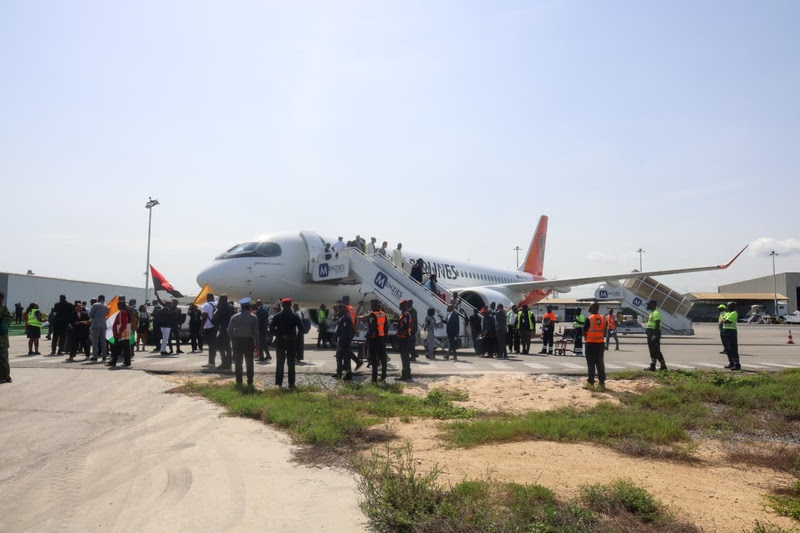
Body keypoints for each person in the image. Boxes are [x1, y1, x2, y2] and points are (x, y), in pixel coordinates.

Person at [270, 298, 304, 388]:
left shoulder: (277, 316)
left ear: (282, 305)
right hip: (291, 342)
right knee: (291, 363)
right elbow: (302, 329)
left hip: (280, 342)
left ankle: (279, 384)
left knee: (280, 363)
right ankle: (291, 383)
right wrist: (295, 338)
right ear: (290, 305)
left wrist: (279, 335)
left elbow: (271, 329)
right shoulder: (295, 316)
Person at [228, 298, 259, 387]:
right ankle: (250, 381)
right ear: (249, 307)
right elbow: (256, 332)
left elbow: (229, 330)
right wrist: (257, 344)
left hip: (238, 341)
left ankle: (239, 381)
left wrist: (233, 338)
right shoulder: (253, 317)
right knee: (249, 362)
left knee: (238, 362)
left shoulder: (235, 317)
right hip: (249, 341)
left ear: (241, 307)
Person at [583, 302, 607, 389]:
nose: (589, 308)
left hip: (590, 344)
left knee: (591, 363)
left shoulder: (589, 318)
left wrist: (586, 337)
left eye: (590, 307)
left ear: (593, 308)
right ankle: (602, 382)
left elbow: (584, 330)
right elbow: (604, 330)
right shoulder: (603, 318)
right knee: (600, 363)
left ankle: (591, 382)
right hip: (600, 344)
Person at [363, 300, 388, 382]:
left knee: (374, 360)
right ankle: (383, 376)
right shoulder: (383, 314)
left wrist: (367, 339)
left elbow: (371, 329)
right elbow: (386, 328)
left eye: (372, 306)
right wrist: (385, 339)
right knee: (383, 359)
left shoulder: (372, 315)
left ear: (373, 306)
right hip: (382, 339)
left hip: (374, 340)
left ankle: (374, 379)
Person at [334, 302, 356, 380]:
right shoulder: (342, 317)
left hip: (344, 342)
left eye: (339, 309)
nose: (338, 310)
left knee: (346, 359)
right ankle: (339, 373)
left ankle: (348, 375)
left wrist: (340, 344)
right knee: (339, 357)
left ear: (343, 309)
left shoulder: (345, 318)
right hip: (341, 340)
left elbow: (345, 332)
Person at [644, 299, 667, 371]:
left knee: (656, 350)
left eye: (649, 304)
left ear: (653, 305)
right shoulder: (652, 313)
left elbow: (657, 324)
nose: (647, 305)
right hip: (650, 333)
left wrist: (655, 335)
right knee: (652, 350)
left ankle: (663, 366)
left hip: (654, 333)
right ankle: (653, 366)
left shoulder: (656, 313)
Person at [214, 295, 235, 371]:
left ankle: (224, 362)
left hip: (223, 329)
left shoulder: (222, 307)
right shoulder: (231, 307)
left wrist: (217, 308)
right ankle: (228, 364)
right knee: (228, 347)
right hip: (230, 328)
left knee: (220, 347)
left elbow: (214, 316)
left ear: (221, 300)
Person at [107, 301, 132, 368]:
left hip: (120, 333)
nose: (118, 307)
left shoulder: (123, 312)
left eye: (119, 305)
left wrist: (120, 331)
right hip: (122, 333)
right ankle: (126, 361)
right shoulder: (125, 312)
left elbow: (124, 323)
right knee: (124, 348)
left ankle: (114, 361)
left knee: (116, 348)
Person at [396, 301, 413, 379]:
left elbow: (405, 326)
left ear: (403, 306)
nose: (399, 307)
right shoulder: (403, 314)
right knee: (404, 356)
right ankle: (407, 374)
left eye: (400, 306)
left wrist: (399, 329)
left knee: (404, 356)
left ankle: (405, 375)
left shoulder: (405, 315)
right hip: (402, 337)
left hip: (404, 337)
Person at [88, 295, 108, 361]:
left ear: (98, 299)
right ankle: (104, 356)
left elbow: (90, 315)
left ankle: (95, 356)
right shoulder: (106, 306)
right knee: (103, 341)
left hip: (96, 324)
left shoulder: (95, 305)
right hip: (103, 324)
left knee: (95, 341)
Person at [722, 301, 740, 371]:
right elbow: (722, 319)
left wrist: (724, 320)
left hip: (731, 332)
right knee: (728, 349)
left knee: (733, 348)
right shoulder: (728, 313)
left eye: (729, 306)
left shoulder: (734, 313)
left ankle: (737, 364)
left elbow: (727, 321)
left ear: (733, 307)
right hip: (725, 331)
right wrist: (724, 320)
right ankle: (731, 363)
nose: (727, 307)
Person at [201, 293, 218, 367]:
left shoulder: (206, 305)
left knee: (211, 345)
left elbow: (204, 317)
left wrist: (201, 327)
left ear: (207, 298)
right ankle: (212, 361)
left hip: (209, 327)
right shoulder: (217, 304)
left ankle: (211, 362)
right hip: (216, 327)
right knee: (213, 345)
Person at [0, 291, 12, 383]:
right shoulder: (4, 308)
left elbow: (8, 319)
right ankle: (5, 376)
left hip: (2, 337)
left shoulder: (4, 308)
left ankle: (5, 375)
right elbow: (9, 319)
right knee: (3, 357)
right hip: (2, 337)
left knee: (3, 357)